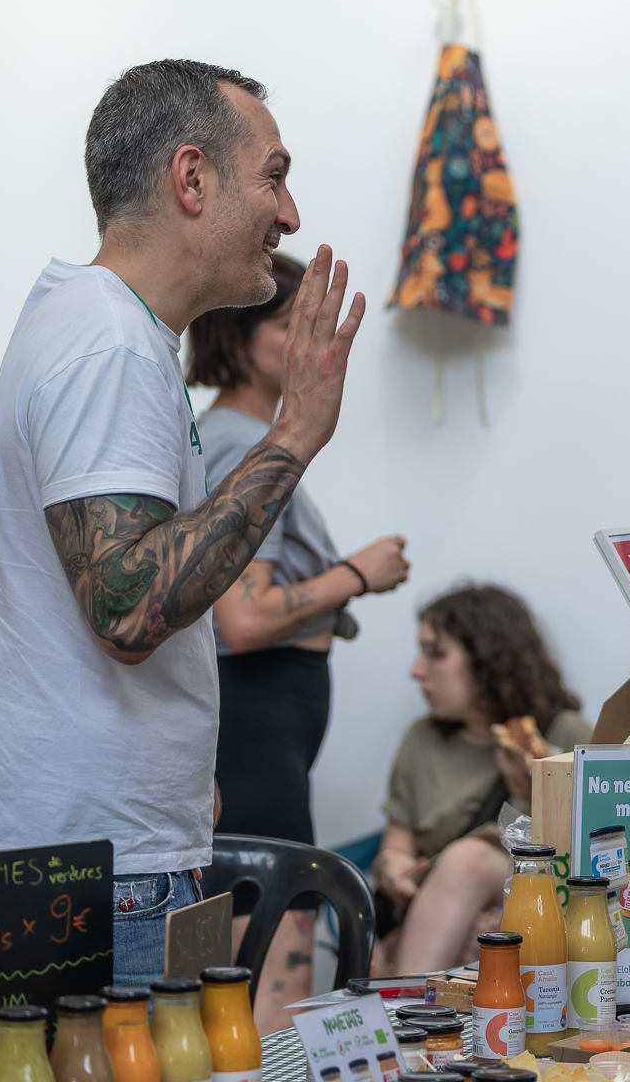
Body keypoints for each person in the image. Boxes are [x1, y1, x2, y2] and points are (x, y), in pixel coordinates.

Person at [0, 59, 366, 987]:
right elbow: (128, 607)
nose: (289, 213)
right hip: (95, 878)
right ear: (192, 178)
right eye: (273, 177)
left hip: (85, 858)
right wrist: (294, 434)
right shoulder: (110, 345)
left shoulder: (96, 326)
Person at [185, 251, 411, 1027]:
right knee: (270, 1005)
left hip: (265, 737)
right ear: (238, 337)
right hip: (254, 740)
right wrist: (356, 574)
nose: (310, 343)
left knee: (248, 993)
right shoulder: (238, 444)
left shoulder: (237, 435)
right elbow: (243, 617)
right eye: (290, 325)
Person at [371, 585, 592, 975]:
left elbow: (597, 851)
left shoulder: (564, 733)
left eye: (436, 653)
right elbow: (396, 845)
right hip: (435, 912)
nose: (416, 670)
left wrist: (541, 794)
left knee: (467, 861)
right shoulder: (422, 739)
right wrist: (395, 869)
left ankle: (412, 1001)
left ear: (489, 660)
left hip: (541, 897)